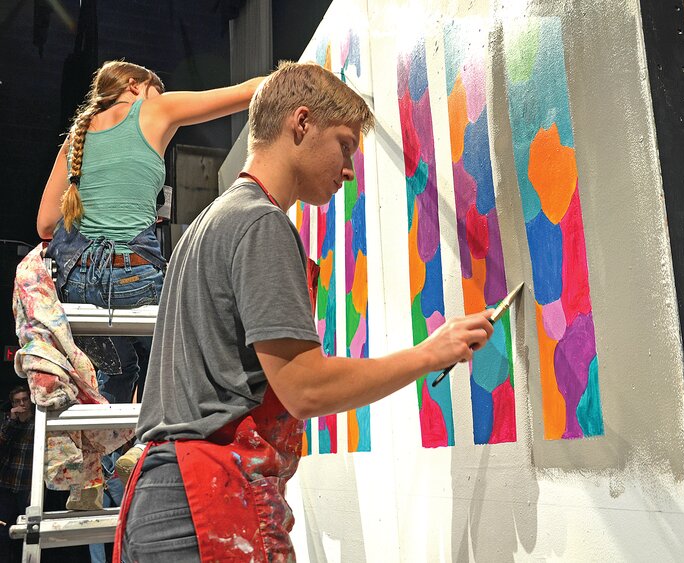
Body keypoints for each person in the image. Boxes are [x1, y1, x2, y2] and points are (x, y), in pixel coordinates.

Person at [114, 61, 494, 562]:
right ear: (301, 122)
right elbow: (305, 387)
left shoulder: (205, 225)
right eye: (344, 145)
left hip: (158, 499)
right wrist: (431, 353)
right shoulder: (259, 224)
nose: (349, 169)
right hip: (206, 499)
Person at [36, 60, 265, 485]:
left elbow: (46, 224)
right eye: (156, 91)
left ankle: (93, 475)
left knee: (118, 373)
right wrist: (305, 79)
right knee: (188, 354)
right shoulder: (153, 109)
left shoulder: (76, 138)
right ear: (136, 85)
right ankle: (147, 441)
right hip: (133, 276)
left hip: (77, 285)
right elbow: (246, 91)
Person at [0, 386, 34, 563]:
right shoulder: (9, 423)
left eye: (24, 400)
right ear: (12, 404)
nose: (22, 404)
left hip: (26, 486)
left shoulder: (37, 423)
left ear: (30, 400)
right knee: (3, 529)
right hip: (6, 483)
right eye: (17, 401)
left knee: (26, 530)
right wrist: (13, 421)